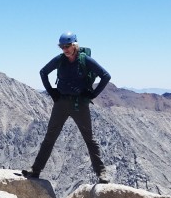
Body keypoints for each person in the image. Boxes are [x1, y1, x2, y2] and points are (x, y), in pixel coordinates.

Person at [22, 31, 111, 183]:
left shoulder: (85, 60)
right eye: (62, 46)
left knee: (89, 139)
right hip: (61, 103)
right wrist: (52, 92)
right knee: (50, 137)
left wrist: (93, 95)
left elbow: (106, 75)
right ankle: (35, 170)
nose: (65, 49)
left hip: (79, 105)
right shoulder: (60, 60)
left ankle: (101, 173)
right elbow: (43, 72)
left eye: (68, 46)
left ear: (75, 45)